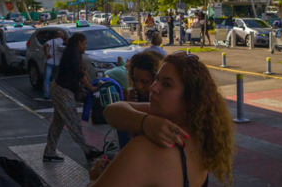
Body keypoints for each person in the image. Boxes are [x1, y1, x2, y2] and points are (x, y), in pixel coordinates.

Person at [87, 52, 235, 187]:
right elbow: (112, 111)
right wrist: (146, 122)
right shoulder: (200, 139)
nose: (153, 88)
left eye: (167, 84)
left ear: (190, 99)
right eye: (157, 79)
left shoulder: (145, 150)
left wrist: (95, 178)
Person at [43, 33, 103, 163]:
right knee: (73, 122)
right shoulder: (72, 53)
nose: (86, 46)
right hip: (63, 91)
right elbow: (79, 73)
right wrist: (91, 88)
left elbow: (83, 71)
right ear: (79, 42)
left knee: (58, 124)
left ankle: (49, 152)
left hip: (60, 89)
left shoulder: (74, 53)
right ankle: (88, 151)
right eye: (85, 43)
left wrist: (90, 85)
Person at [43, 31, 65, 99]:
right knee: (56, 78)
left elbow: (45, 45)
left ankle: (46, 94)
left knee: (47, 78)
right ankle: (56, 93)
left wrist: (46, 54)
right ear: (62, 36)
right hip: (57, 62)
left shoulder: (52, 41)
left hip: (49, 61)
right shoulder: (63, 42)